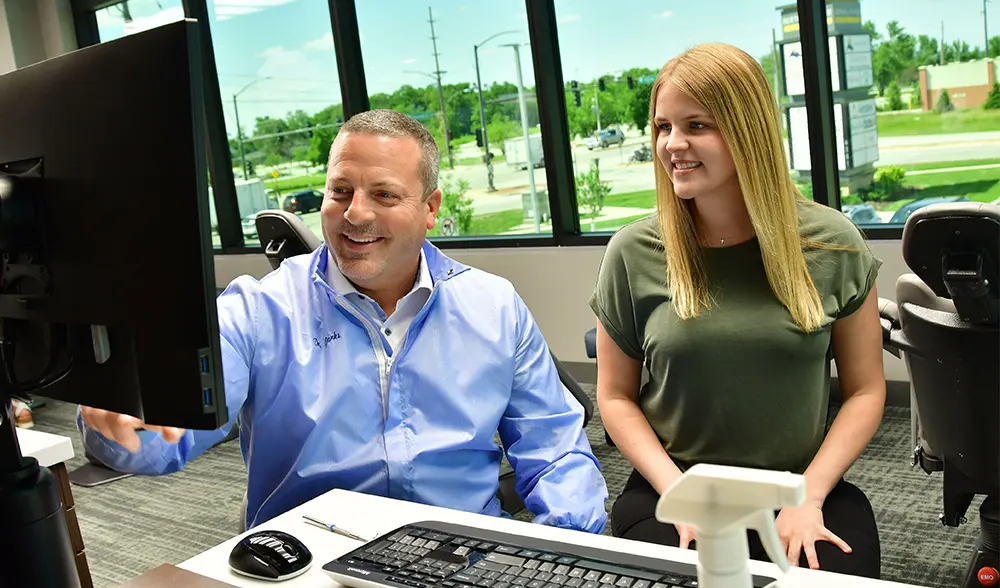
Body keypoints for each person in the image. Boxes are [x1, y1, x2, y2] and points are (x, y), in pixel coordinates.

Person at [78, 109, 608, 533]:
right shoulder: (260, 310)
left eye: (384, 194)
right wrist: (120, 410)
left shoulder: (493, 306)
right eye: (340, 191)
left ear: (430, 208)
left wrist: (572, 548)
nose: (355, 214)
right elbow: (166, 438)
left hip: (457, 556)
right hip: (309, 562)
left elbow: (555, 449)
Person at [590, 44, 884, 578]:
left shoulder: (832, 243)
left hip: (802, 485)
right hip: (674, 485)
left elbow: (865, 391)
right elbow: (613, 396)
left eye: (697, 125)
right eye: (662, 127)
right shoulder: (632, 253)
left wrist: (809, 495)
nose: (673, 145)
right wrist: (678, 493)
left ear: (747, 130)